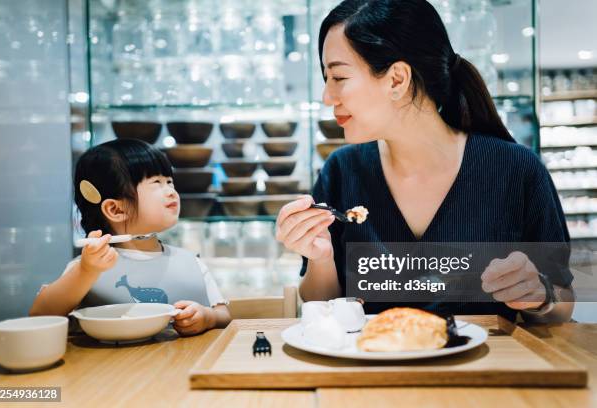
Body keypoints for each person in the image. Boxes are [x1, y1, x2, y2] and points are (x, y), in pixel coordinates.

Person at [276, 0, 574, 323]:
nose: (326, 97)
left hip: (484, 372)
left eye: (338, 77)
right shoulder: (342, 171)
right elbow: (322, 308)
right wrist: (321, 259)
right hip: (369, 370)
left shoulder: (515, 171)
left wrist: (539, 294)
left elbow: (562, 300)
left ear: (397, 80)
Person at [30, 139, 231, 335]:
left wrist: (207, 317)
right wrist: (86, 270)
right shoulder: (86, 267)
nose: (171, 191)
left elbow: (224, 316)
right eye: (156, 183)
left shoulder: (192, 263)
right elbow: (40, 318)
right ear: (116, 209)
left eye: (169, 181)